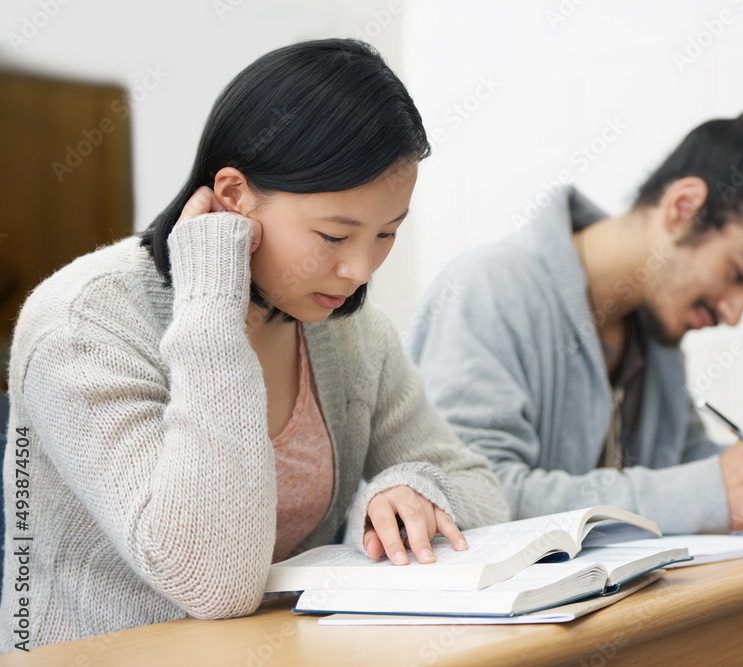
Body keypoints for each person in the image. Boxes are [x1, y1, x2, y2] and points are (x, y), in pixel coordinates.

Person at [1, 39, 508, 651]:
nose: (359, 271)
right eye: (333, 235)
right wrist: (213, 300)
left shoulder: (344, 328)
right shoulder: (81, 325)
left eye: (386, 234)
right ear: (234, 195)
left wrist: (413, 488)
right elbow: (214, 583)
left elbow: (483, 491)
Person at [407, 107, 743, 535]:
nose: (733, 315)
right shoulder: (490, 288)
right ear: (683, 208)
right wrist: (704, 494)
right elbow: (471, 496)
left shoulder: (654, 333)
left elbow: (688, 467)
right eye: (738, 275)